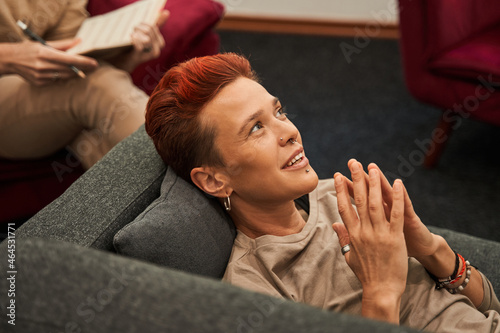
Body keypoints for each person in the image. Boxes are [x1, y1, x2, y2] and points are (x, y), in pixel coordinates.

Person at [145, 52, 500, 331]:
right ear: (214, 180)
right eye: (255, 128)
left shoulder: (341, 196)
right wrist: (380, 293)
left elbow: (489, 310)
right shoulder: (255, 289)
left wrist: (432, 249)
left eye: (278, 112)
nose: (289, 132)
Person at [0, 0, 169, 169]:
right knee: (96, 88)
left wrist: (131, 57)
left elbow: (74, 67)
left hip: (43, 93)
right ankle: (186, 164)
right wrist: (9, 57)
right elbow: (90, 85)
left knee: (98, 140)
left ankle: (183, 179)